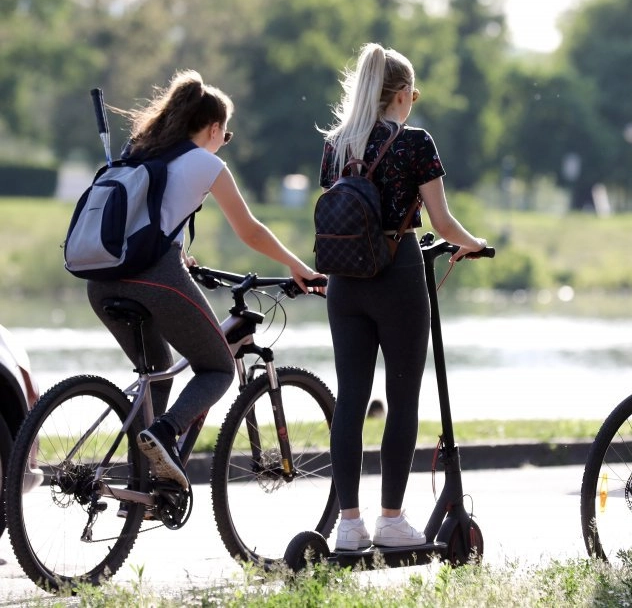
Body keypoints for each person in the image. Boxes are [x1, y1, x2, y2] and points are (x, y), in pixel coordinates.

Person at [87, 69, 326, 491]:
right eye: (226, 136)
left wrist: (178, 252)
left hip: (101, 279)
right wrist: (296, 265)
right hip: (153, 278)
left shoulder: (140, 148)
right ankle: (165, 433)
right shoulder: (205, 162)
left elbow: (147, 217)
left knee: (158, 371)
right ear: (214, 128)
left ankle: (140, 490)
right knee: (217, 367)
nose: (223, 144)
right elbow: (249, 230)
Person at [319, 43, 486, 551]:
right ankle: (391, 519)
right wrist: (473, 245)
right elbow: (441, 222)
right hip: (397, 275)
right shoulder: (415, 142)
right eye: (413, 93)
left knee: (350, 399)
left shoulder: (336, 144)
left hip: (343, 281)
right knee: (402, 397)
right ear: (403, 96)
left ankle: (349, 525)